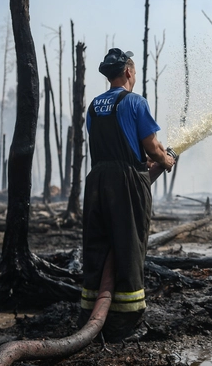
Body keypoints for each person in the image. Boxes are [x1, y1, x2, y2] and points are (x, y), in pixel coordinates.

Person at [79, 48, 175, 342]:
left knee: (98, 246)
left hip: (96, 181)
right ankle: (124, 322)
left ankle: (89, 313)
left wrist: (134, 160)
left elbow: (111, 145)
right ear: (129, 72)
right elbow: (153, 147)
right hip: (125, 184)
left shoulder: (94, 106)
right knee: (130, 245)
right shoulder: (135, 101)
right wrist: (166, 160)